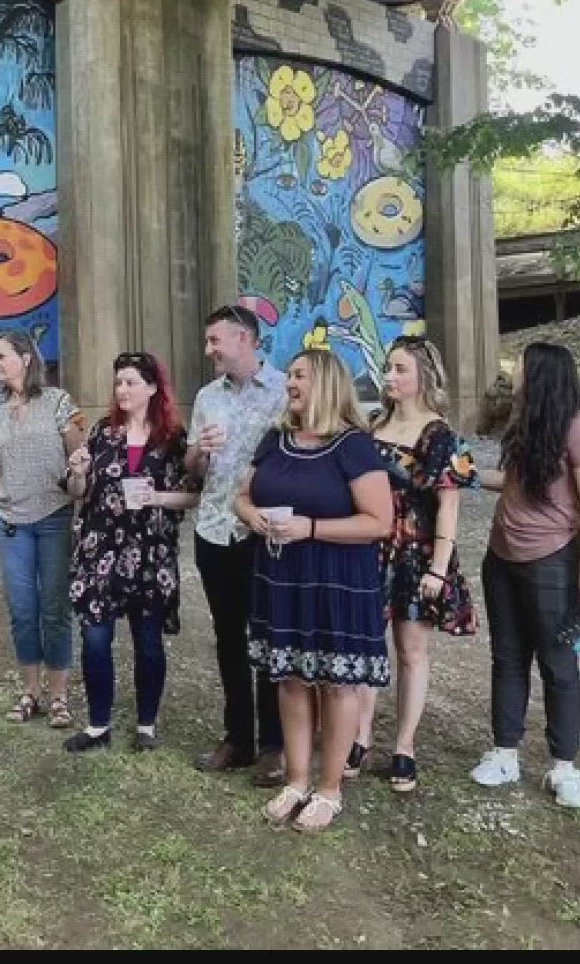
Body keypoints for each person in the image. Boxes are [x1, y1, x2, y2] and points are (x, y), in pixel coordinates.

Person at [236, 349, 394, 832]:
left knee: (338, 682)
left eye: (300, 375)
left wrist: (310, 527)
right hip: (282, 574)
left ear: (325, 383)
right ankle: (297, 779)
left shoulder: (354, 446)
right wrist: (252, 517)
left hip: (339, 578)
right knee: (290, 678)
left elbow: (379, 522)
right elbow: (242, 494)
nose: (290, 383)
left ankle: (330, 789)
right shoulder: (275, 440)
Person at [466, 342, 580, 810]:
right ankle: (505, 753)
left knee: (558, 663)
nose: (516, 376)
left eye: (522, 369)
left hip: (553, 561)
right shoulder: (525, 425)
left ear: (544, 375)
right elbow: (511, 485)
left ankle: (564, 766)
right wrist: (465, 475)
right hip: (501, 560)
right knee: (507, 657)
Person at [353, 336, 478, 793]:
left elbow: (449, 505)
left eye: (400, 369)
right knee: (366, 644)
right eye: (388, 368)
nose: (390, 377)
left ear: (424, 375)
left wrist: (438, 568)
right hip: (368, 547)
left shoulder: (442, 435)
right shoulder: (371, 424)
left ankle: (404, 746)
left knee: (411, 651)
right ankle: (359, 737)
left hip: (417, 553)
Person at [62, 352, 200, 753]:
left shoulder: (173, 438)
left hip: (150, 554)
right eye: (118, 383)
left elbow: (193, 496)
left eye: (131, 383)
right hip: (99, 551)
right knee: (94, 641)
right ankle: (97, 725)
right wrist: (78, 472)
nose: (122, 390)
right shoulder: (104, 432)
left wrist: (156, 496)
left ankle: (146, 725)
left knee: (149, 644)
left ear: (153, 387)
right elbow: (76, 493)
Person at [185, 305, 290, 787]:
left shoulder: (287, 392)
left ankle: (275, 746)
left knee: (267, 638)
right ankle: (237, 737)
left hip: (263, 532)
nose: (208, 350)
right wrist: (200, 452)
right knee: (228, 637)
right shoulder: (207, 396)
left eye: (214, 341)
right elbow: (192, 470)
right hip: (212, 529)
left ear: (245, 339)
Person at [0, 331, 86, 730]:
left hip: (56, 518)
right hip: (11, 525)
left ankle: (59, 696)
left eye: (1, 355)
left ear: (26, 359)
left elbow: (80, 462)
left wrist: (80, 509)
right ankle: (30, 690)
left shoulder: (59, 403)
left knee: (55, 609)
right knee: (23, 611)